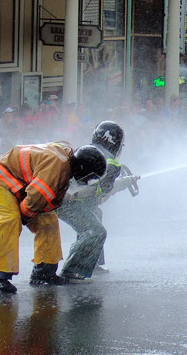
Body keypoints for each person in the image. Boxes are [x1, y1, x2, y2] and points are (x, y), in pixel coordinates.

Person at [0, 142, 107, 294]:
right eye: (89, 177)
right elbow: (34, 200)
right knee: (10, 221)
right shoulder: (56, 169)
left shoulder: (65, 161)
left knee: (48, 220)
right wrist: (23, 217)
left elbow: (41, 197)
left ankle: (44, 273)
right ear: (82, 169)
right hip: (0, 180)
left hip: (23, 185)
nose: (87, 181)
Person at [57, 121, 140, 282]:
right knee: (95, 231)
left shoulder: (89, 150)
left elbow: (96, 189)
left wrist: (124, 181)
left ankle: (92, 261)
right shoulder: (111, 163)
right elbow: (101, 191)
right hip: (67, 200)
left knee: (95, 214)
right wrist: (124, 182)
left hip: (66, 197)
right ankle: (73, 271)